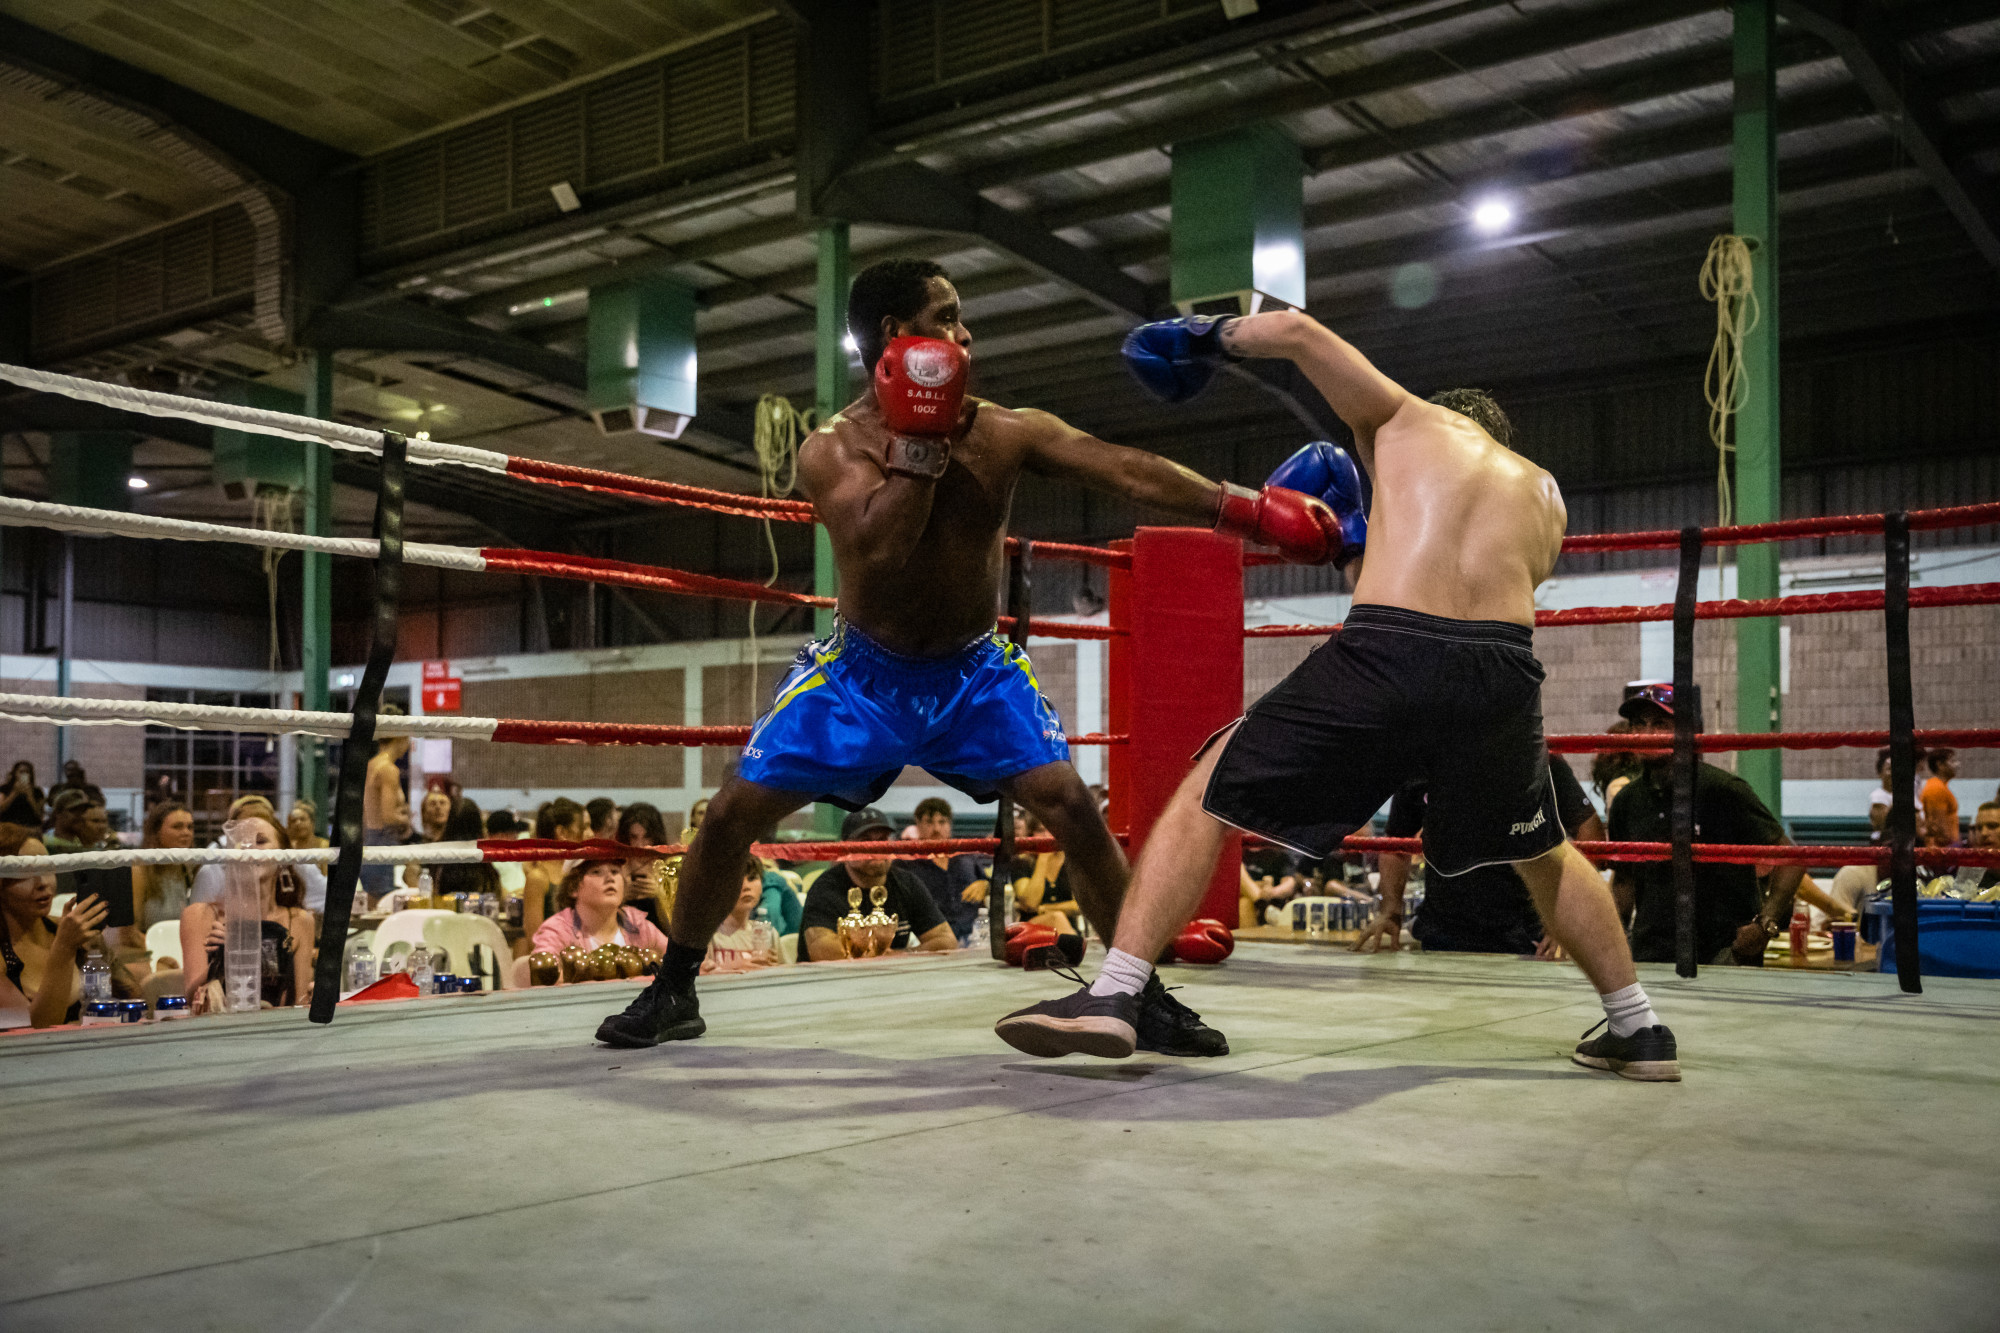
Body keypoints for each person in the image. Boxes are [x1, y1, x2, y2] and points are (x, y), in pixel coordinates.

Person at [596, 259, 1346, 1052]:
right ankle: (675, 987)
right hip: (860, 674)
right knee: (725, 818)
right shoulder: (832, 449)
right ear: (897, 335)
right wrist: (917, 441)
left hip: (974, 671)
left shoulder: (1001, 428)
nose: (966, 333)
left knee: (1070, 806)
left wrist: (1247, 509)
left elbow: (1120, 465)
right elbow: (877, 551)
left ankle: (1138, 992)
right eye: (948, 317)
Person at [998, 305, 1679, 1082]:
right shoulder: (1545, 496)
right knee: (1541, 849)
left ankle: (1115, 994)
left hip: (1392, 643)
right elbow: (1462, 586)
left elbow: (1295, 333)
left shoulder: (1404, 420)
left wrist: (1200, 335)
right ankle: (1639, 1026)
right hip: (1502, 669)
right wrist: (1356, 545)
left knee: (1210, 787)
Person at [1605, 684, 1805, 967]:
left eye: (1660, 724)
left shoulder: (1722, 789)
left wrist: (1764, 926)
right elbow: (1624, 880)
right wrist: (1612, 942)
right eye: (1639, 723)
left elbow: (1792, 860)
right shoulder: (1627, 800)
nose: (1647, 734)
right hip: (1651, 955)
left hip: (1722, 953)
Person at [1355, 753, 1602, 957]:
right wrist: (1390, 909)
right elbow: (1396, 842)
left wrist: (1565, 918)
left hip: (1525, 938)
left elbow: (1589, 831)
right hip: (1442, 935)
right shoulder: (1422, 766)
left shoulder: (1536, 759)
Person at [0, 822, 138, 1028]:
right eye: (25, 872)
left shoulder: (80, 934)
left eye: (47, 868)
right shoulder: (68, 937)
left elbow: (131, 999)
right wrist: (64, 948)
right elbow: (35, 1027)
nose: (42, 883)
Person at [178, 812, 315, 1013]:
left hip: (277, 1031)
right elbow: (192, 998)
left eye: (260, 841)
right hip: (218, 1032)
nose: (249, 850)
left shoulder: (301, 921)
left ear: (283, 857)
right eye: (241, 844)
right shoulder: (200, 915)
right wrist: (224, 958)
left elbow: (299, 1002)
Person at [795, 808, 958, 963]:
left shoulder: (907, 883)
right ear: (844, 849)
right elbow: (821, 950)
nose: (876, 847)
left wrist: (903, 954)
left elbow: (946, 940)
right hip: (829, 984)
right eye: (865, 841)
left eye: (882, 840)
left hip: (887, 981)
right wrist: (880, 957)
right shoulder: (825, 888)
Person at [530, 858, 671, 955]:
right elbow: (545, 978)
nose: (610, 878)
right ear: (573, 888)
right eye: (596, 872)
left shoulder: (637, 925)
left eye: (615, 871)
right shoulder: (558, 930)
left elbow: (678, 961)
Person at [898, 797, 989, 943]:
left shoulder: (965, 857)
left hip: (974, 937)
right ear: (918, 824)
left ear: (950, 825)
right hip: (932, 940)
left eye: (942, 822)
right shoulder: (906, 863)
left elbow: (992, 883)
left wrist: (985, 886)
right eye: (929, 822)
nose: (936, 829)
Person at [363, 713, 412, 903]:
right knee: (382, 906)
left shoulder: (370, 765)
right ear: (401, 737)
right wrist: (406, 820)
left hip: (368, 839)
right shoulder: (388, 769)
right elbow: (388, 816)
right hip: (382, 840)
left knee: (373, 904)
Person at [703, 859, 785, 973]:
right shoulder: (706, 935)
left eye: (752, 878)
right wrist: (735, 967)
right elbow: (698, 979)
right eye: (736, 879)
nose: (746, 886)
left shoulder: (768, 933)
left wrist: (775, 970)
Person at [522, 797, 588, 939]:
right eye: (582, 828)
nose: (588, 835)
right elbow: (535, 939)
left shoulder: (578, 871)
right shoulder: (538, 877)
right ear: (562, 832)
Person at [616, 802, 674, 936]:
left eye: (646, 837)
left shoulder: (668, 866)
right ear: (625, 837)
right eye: (634, 837)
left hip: (661, 940)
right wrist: (621, 897)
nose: (640, 845)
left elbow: (678, 928)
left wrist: (660, 896)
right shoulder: (617, 865)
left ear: (656, 836)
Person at [431, 798, 500, 902]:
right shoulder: (486, 863)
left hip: (445, 914)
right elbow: (496, 897)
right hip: (478, 915)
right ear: (479, 824)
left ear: (450, 822)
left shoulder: (438, 857)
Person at [1921, 748, 1960, 848]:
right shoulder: (1936, 788)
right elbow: (1939, 829)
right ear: (1940, 765)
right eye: (1952, 761)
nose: (1957, 765)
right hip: (1942, 851)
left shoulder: (1940, 787)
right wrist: (1955, 847)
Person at [0, 761, 44, 828]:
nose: (24, 774)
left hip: (30, 827)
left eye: (27, 772)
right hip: (9, 826)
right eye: (21, 771)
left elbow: (39, 814)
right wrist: (14, 793)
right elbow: (1, 808)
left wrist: (30, 796)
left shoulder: (37, 791)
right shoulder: (5, 788)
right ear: (15, 773)